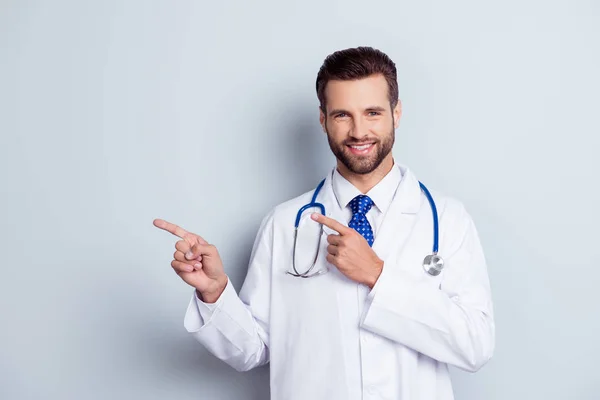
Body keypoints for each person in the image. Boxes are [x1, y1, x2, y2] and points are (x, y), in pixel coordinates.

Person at [153, 46, 494, 400]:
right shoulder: (284, 224)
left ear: (397, 112)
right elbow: (253, 349)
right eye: (342, 115)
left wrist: (378, 275)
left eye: (373, 113)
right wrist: (214, 293)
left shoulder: (448, 220)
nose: (359, 131)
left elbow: (476, 345)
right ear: (323, 119)